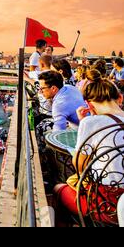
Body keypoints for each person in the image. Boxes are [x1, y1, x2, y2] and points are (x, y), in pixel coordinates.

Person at [54, 69, 124, 223]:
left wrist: (85, 122)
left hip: (105, 204)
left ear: (88, 104)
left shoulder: (91, 123)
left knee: (58, 189)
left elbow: (80, 166)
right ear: (120, 98)